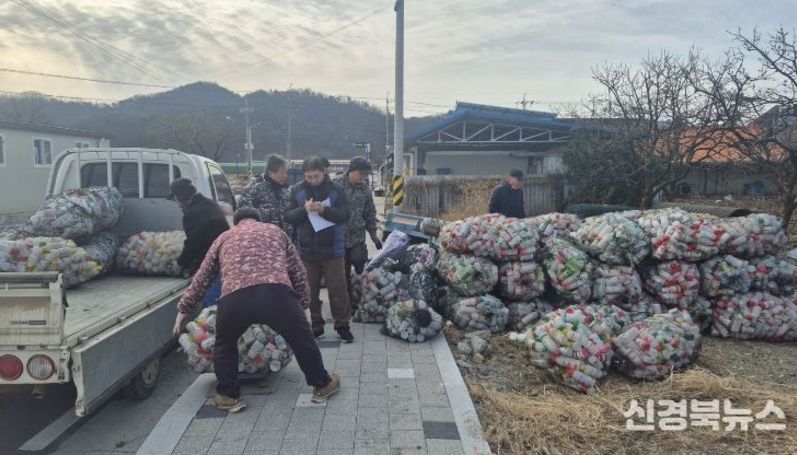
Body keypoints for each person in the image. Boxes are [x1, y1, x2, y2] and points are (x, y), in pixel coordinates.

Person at [172, 208, 340, 412]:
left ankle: (229, 396)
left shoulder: (224, 237)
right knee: (302, 339)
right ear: (259, 220)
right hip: (276, 295)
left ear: (236, 223)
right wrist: (303, 305)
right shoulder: (275, 231)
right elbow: (298, 272)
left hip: (234, 299)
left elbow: (202, 277)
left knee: (224, 344)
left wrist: (183, 310)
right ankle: (322, 385)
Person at [284, 156, 353, 342]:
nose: (313, 180)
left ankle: (342, 325)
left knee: (338, 290)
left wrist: (324, 210)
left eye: (316, 176)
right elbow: (288, 216)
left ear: (324, 172)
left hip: (333, 250)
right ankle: (315, 326)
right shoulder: (297, 190)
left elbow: (345, 214)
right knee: (309, 291)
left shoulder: (337, 190)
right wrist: (303, 210)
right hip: (306, 251)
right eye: (309, 177)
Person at [169, 178, 229, 307]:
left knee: (211, 301)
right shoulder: (210, 204)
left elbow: (193, 243)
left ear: (181, 198)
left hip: (214, 262)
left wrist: (180, 263)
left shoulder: (192, 213)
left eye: (176, 201)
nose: (178, 205)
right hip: (225, 255)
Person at [335, 157, 382, 304]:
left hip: (357, 236)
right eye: (361, 173)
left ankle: (362, 295)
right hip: (339, 237)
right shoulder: (336, 186)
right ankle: (348, 302)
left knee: (359, 262)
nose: (363, 177)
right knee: (342, 272)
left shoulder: (365, 189)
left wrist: (374, 236)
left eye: (365, 174)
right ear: (351, 171)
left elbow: (370, 213)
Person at [238, 154, 292, 235]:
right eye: (282, 172)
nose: (285, 176)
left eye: (286, 172)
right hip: (261, 237)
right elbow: (243, 217)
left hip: (283, 237)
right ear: (270, 173)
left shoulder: (284, 190)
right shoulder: (253, 189)